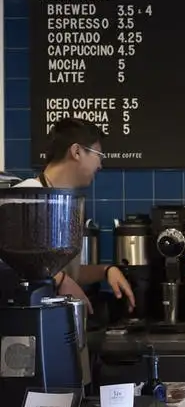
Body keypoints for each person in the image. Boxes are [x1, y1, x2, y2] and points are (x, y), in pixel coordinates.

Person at [13, 117, 135, 313]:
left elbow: (70, 274)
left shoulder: (65, 206)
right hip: (26, 329)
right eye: (98, 155)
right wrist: (60, 281)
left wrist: (106, 270)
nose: (100, 165)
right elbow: (11, 266)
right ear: (76, 151)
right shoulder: (26, 198)